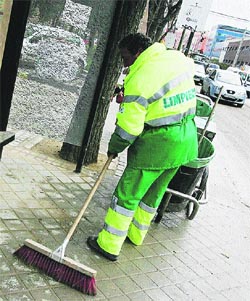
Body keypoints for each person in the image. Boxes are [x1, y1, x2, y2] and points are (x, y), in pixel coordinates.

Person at [87, 33, 198, 261]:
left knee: (126, 196)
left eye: (125, 56)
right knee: (152, 195)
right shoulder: (175, 58)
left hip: (157, 146)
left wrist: (114, 147)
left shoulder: (140, 79)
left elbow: (129, 128)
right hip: (185, 141)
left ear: (137, 52)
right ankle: (135, 235)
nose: (124, 62)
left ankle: (108, 244)